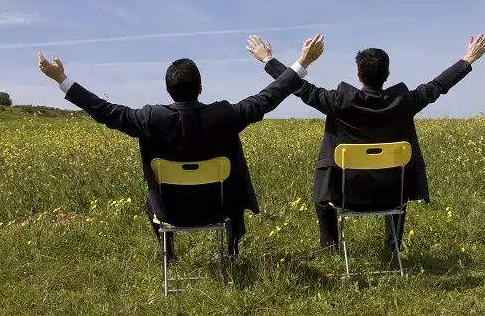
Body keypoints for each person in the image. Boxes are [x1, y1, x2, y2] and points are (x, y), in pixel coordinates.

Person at [37, 34, 325, 262]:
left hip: (169, 212)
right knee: (233, 192)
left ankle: (169, 253)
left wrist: (62, 79)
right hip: (219, 208)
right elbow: (268, 97)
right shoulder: (224, 115)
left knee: (150, 200)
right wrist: (302, 62)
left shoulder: (149, 118)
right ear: (200, 88)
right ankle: (232, 251)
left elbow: (102, 109)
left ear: (168, 90)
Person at [246, 33, 485, 255]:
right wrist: (468, 59)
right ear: (387, 75)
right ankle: (393, 247)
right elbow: (438, 86)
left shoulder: (338, 101)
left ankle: (329, 248)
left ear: (359, 76)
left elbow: (299, 87)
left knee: (323, 190)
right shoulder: (404, 102)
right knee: (397, 181)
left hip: (344, 195)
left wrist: (268, 60)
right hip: (392, 195)